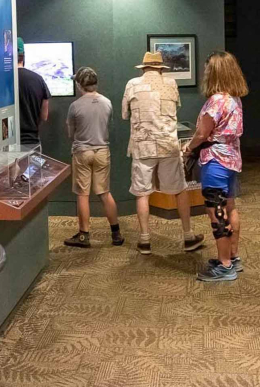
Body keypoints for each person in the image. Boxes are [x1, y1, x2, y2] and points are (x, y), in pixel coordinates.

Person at [122, 51, 203, 255]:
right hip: (168, 144)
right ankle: (188, 236)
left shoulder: (132, 84)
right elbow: (176, 108)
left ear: (144, 67)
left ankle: (145, 240)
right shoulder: (171, 84)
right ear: (161, 68)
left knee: (142, 193)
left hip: (143, 146)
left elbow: (125, 115)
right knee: (179, 189)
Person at [184, 50, 247, 283]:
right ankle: (233, 256)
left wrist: (189, 148)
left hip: (215, 162)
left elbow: (202, 133)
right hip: (231, 159)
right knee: (230, 207)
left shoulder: (216, 100)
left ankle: (225, 265)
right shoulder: (234, 99)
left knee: (216, 212)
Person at [63, 66, 122, 248]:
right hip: (102, 151)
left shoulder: (75, 106)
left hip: (82, 152)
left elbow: (70, 133)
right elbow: (107, 126)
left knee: (82, 194)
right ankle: (116, 233)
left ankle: (83, 235)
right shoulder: (107, 102)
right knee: (104, 192)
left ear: (80, 85)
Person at [17, 37, 49, 149]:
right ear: (23, 56)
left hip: (8, 145)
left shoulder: (2, 80)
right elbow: (44, 116)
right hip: (32, 142)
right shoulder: (38, 79)